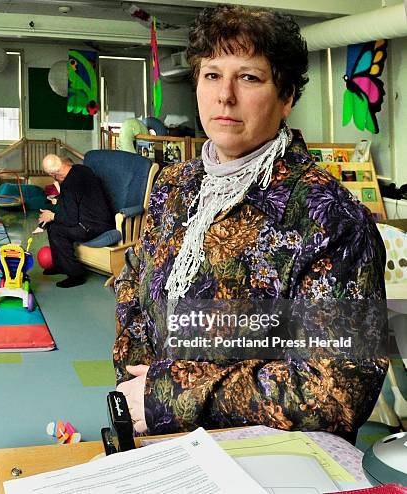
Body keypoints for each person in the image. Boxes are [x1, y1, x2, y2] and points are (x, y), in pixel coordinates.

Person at [113, 5, 387, 441]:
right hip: (157, 434)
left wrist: (168, 392)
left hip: (266, 459)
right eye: (211, 75)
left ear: (287, 97)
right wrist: (136, 383)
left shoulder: (330, 219)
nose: (225, 95)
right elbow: (134, 280)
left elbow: (338, 390)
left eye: (249, 77)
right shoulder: (176, 186)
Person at [38, 154, 114, 288]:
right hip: (102, 219)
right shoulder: (81, 169)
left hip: (93, 226)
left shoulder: (68, 185)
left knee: (57, 230)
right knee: (53, 225)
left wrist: (51, 216)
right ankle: (60, 265)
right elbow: (72, 204)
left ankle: (75, 274)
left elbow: (70, 220)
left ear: (52, 174)